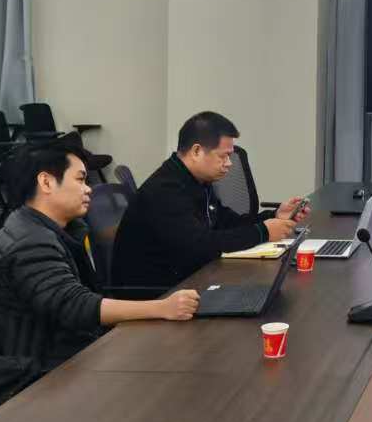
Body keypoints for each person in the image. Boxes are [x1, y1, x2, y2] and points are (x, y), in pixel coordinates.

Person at [0, 141, 199, 374]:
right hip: (48, 371)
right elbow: (76, 306)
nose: (88, 189)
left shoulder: (52, 229)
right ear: (46, 182)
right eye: (80, 180)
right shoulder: (29, 242)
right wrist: (161, 308)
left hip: (76, 351)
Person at [112, 111, 308, 290]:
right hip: (156, 296)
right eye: (224, 156)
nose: (229, 164)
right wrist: (263, 232)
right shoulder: (165, 191)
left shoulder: (195, 181)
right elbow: (201, 246)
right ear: (196, 151)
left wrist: (274, 216)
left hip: (185, 281)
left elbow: (225, 222)